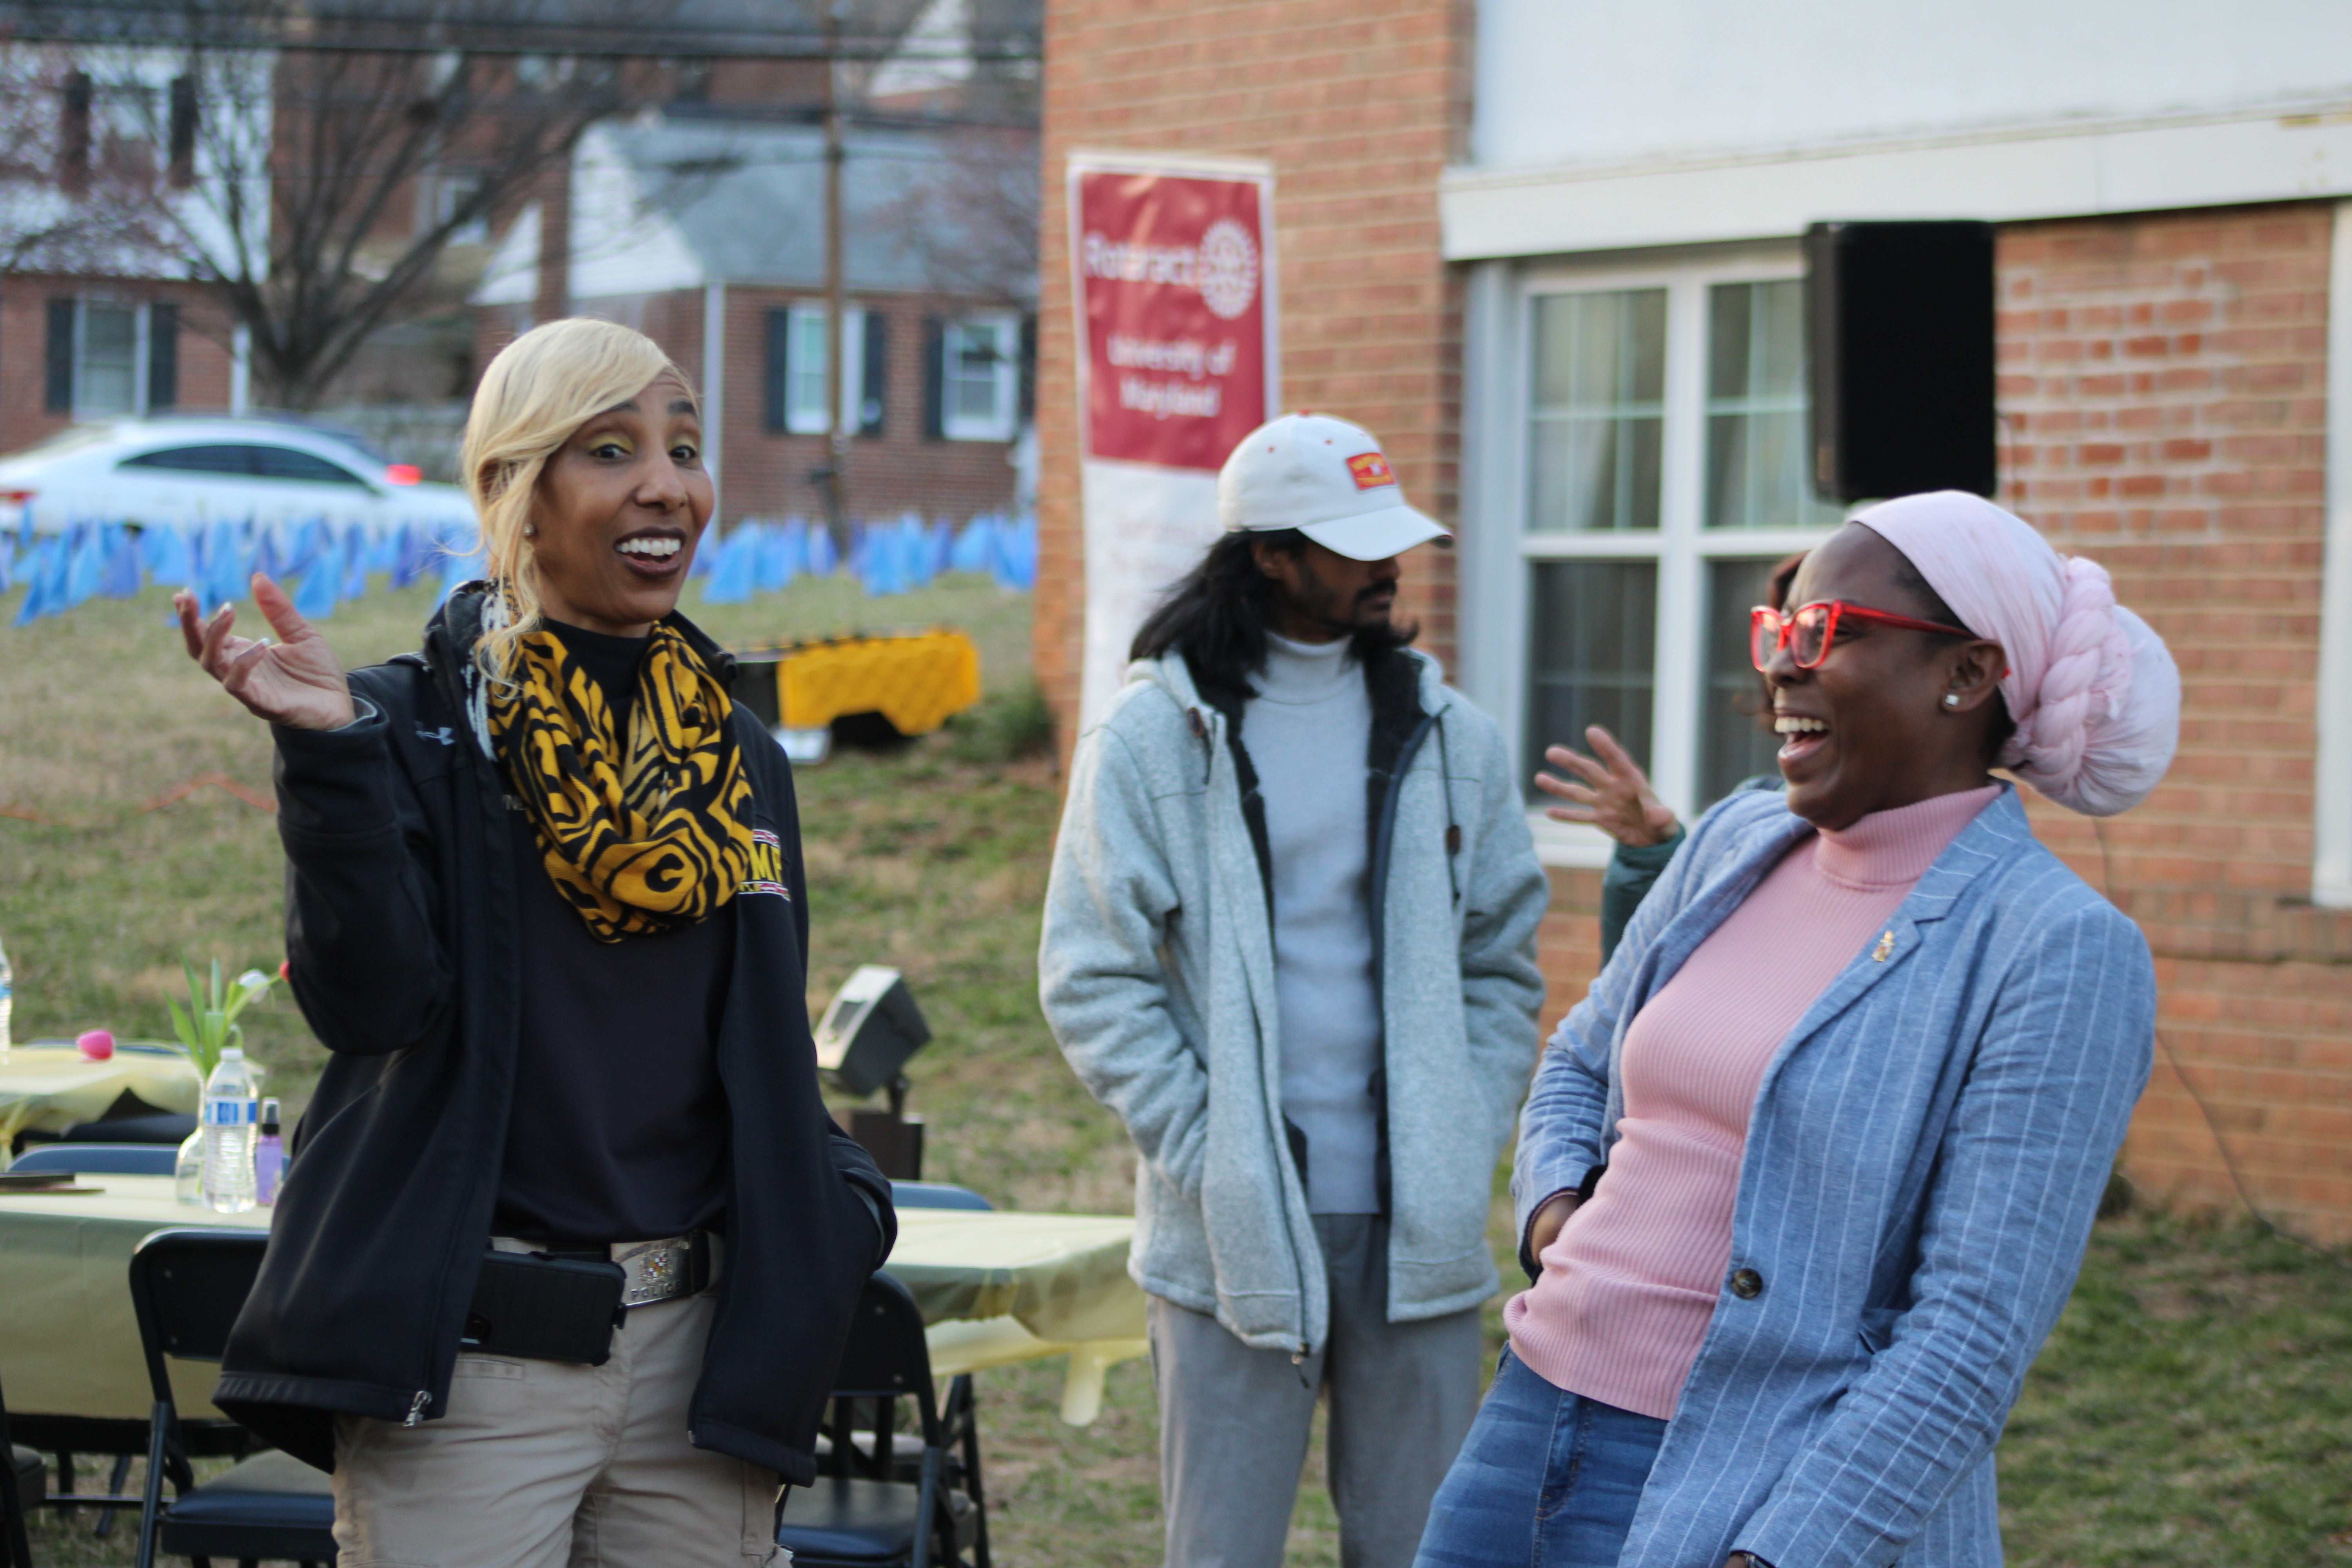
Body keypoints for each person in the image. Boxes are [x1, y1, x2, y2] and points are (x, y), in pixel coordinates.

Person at [176, 318, 893, 1567]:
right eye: (610, 450)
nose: (666, 485)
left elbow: (762, 1035)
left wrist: (840, 1208)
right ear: (515, 488)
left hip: (700, 1370)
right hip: (477, 1362)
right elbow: (370, 1008)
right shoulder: (407, 725)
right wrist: (331, 763)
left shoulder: (739, 757)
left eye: (683, 448)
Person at [1414, 490, 2179, 1568]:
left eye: (1826, 631)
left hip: (1753, 1484)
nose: (1781, 665)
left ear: (1968, 673)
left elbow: (1971, 1334)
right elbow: (1581, 1061)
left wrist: (1782, 1554)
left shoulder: (2053, 946)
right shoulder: (1736, 839)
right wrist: (1555, 1221)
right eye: (1779, 629)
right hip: (1527, 1421)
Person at [1039, 413, 1551, 1568]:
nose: (1389, 565)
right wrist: (1216, 1148)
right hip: (1228, 1231)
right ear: (1269, 556)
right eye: (1354, 543)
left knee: (1426, 1552)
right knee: (1221, 1552)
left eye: (1393, 538)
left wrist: (1464, 1123)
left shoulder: (1453, 736)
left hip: (1418, 1223)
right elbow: (1091, 977)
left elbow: (1502, 959)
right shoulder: (1149, 739)